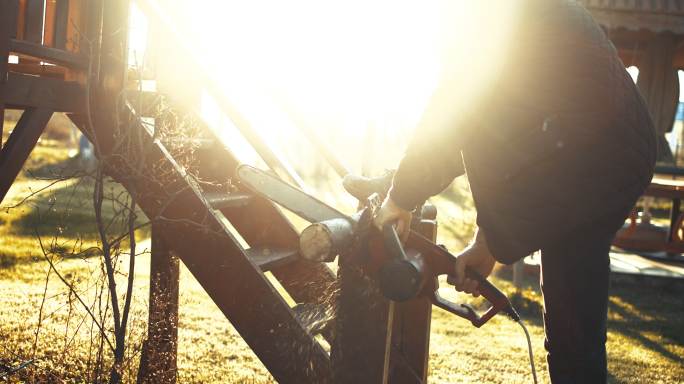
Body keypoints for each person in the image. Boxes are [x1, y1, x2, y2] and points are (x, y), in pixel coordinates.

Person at [371, 1, 656, 383]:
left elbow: (457, 113)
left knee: (572, 324)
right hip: (611, 150)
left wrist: (400, 197)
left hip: (589, 152)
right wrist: (487, 238)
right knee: (574, 322)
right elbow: (488, 130)